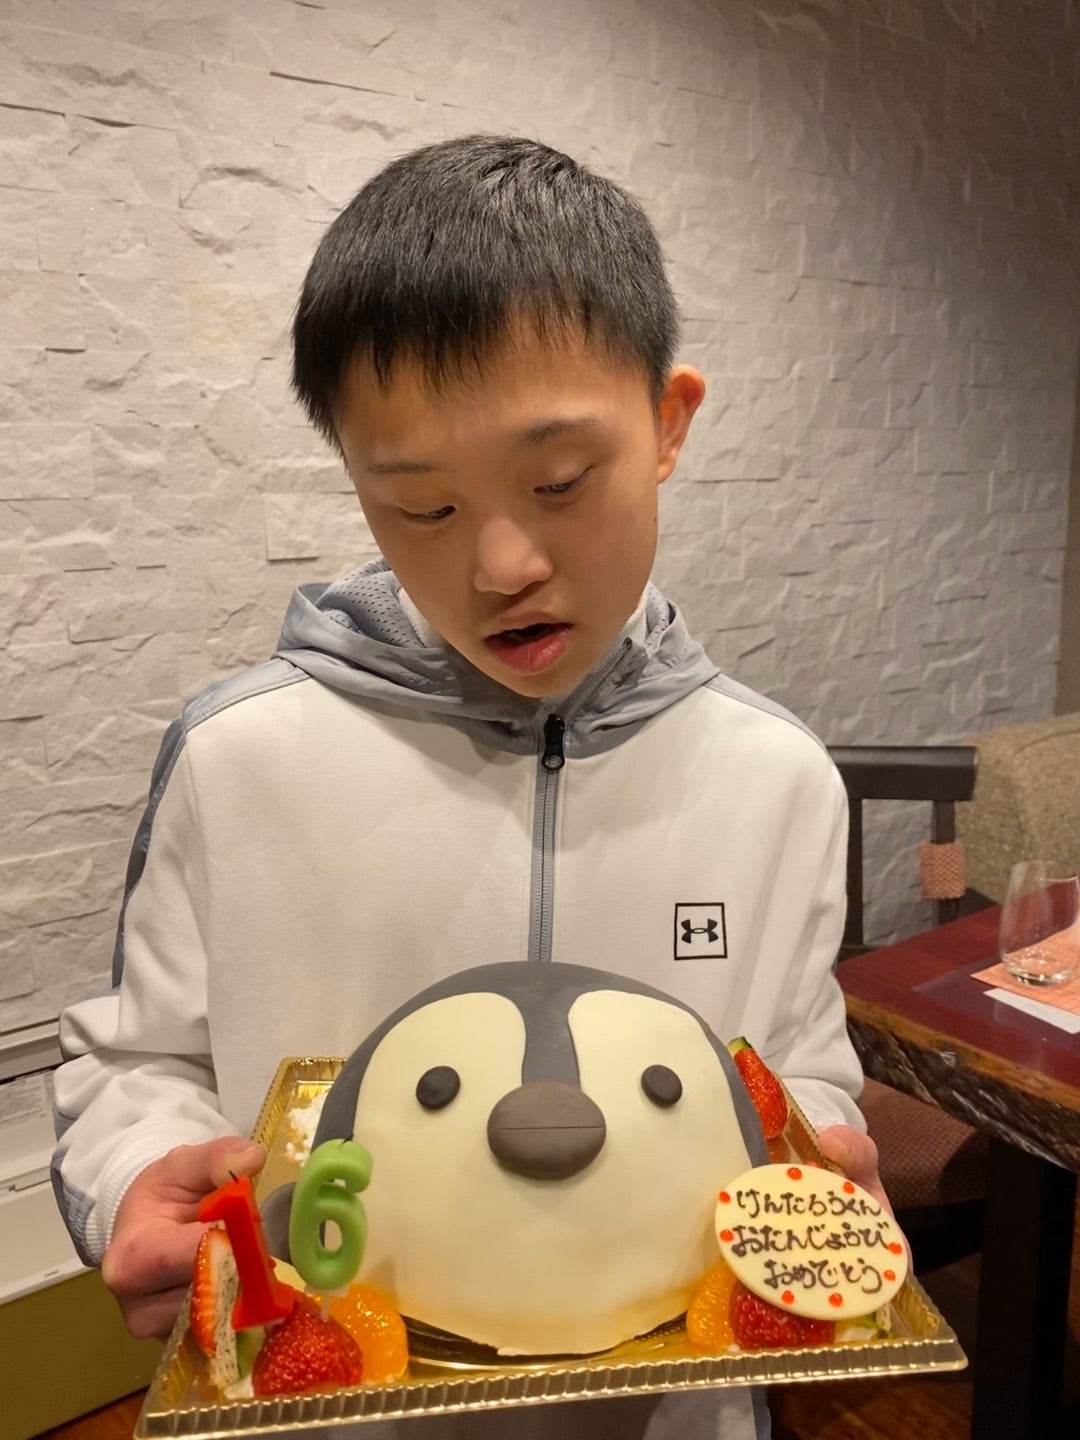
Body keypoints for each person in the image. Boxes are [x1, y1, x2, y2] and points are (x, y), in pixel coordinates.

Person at [51, 134, 882, 1439]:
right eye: (421, 508)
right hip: (330, 1407)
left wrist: (819, 1146)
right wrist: (136, 1178)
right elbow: (140, 1060)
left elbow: (796, 1067)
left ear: (668, 423)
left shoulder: (775, 778)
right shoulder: (240, 758)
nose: (502, 565)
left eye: (559, 482)